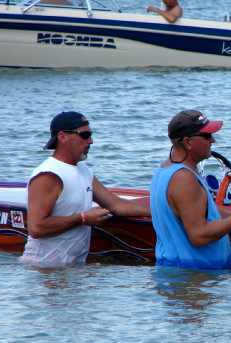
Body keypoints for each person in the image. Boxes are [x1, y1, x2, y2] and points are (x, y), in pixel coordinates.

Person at [21, 111, 151, 268]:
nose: (91, 141)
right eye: (85, 135)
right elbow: (36, 227)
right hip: (44, 270)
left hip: (73, 270)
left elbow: (117, 205)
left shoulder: (84, 170)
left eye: (90, 135)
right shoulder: (49, 174)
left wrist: (164, 208)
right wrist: (82, 218)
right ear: (62, 137)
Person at [150, 110, 231, 270]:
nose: (213, 140)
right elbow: (198, 235)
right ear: (188, 142)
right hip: (191, 277)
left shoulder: (166, 169)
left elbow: (201, 212)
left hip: (181, 271)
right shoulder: (184, 179)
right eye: (206, 136)